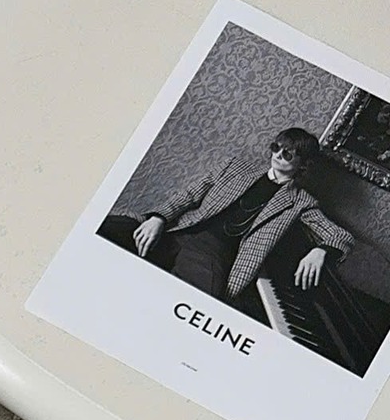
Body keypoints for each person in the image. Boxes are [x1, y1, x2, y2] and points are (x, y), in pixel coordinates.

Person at [100, 127, 353, 303]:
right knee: (106, 230)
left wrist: (321, 251)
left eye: (288, 153)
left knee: (191, 301)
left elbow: (340, 236)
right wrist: (159, 218)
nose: (277, 155)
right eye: (276, 147)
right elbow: (189, 194)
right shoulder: (235, 166)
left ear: (303, 163)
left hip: (212, 254)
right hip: (176, 230)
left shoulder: (301, 201)